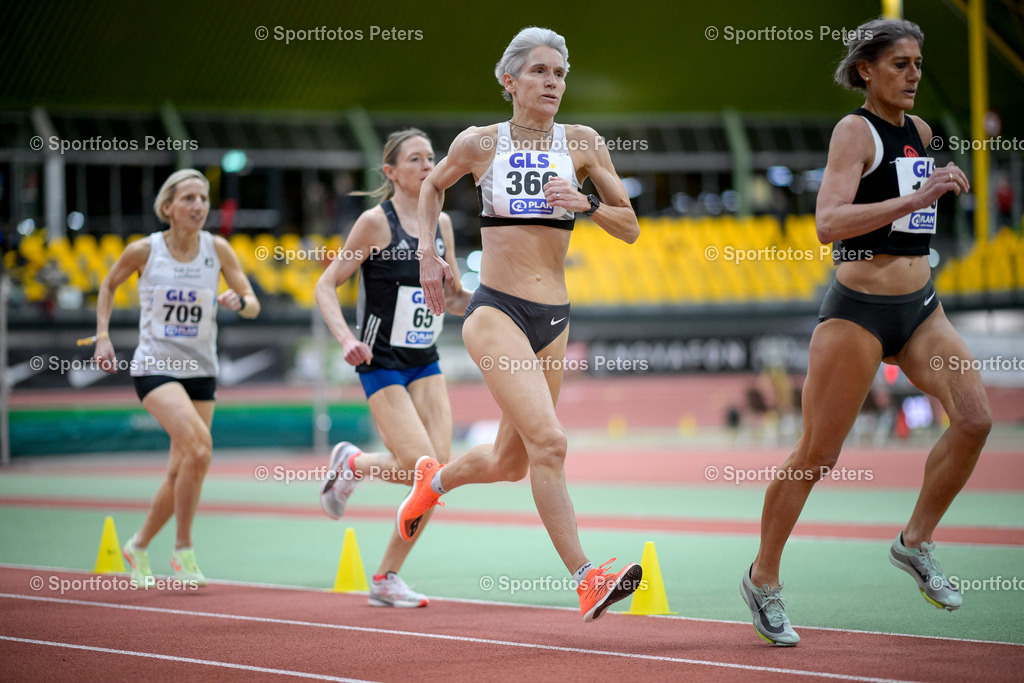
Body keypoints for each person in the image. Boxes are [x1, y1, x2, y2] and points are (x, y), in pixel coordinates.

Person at [740, 18, 992, 646]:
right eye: (900, 64)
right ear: (866, 71)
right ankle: (762, 579)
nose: (913, 75)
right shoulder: (854, 132)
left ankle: (915, 542)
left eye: (917, 64)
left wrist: (936, 190)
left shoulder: (924, 133)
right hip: (857, 311)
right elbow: (828, 222)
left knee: (975, 420)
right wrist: (914, 200)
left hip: (922, 309)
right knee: (816, 458)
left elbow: (915, 210)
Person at [400, 26, 643, 623]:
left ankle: (432, 483)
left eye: (559, 74)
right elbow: (432, 186)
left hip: (554, 319)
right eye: (539, 71)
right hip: (496, 312)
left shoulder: (583, 143)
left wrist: (585, 204)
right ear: (509, 81)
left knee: (511, 463)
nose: (552, 82)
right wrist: (430, 255)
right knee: (552, 444)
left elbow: (631, 226)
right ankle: (587, 579)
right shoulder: (481, 143)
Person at [316, 129, 470, 608]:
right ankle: (352, 467)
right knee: (424, 470)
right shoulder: (374, 223)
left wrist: (486, 302)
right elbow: (326, 285)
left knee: (436, 476)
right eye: (416, 159)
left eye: (432, 157)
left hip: (425, 360)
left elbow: (458, 298)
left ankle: (385, 575)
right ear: (391, 172)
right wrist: (346, 339)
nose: (428, 165)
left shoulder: (440, 223)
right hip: (380, 362)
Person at [94, 169, 260, 588]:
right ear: (167, 207)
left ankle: (139, 545)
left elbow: (253, 304)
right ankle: (183, 548)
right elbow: (108, 285)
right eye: (188, 198)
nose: (198, 206)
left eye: (203, 198)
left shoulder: (217, 249)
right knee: (201, 449)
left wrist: (238, 301)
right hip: (156, 368)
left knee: (185, 464)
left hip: (202, 370)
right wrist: (102, 337)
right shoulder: (144, 251)